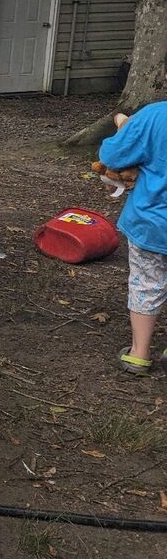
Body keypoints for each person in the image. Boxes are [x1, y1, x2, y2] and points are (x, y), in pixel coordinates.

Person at [99, 102, 167, 375]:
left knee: (146, 285)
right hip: (150, 222)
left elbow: (113, 156)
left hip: (151, 221)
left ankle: (139, 353)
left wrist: (124, 126)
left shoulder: (153, 115)